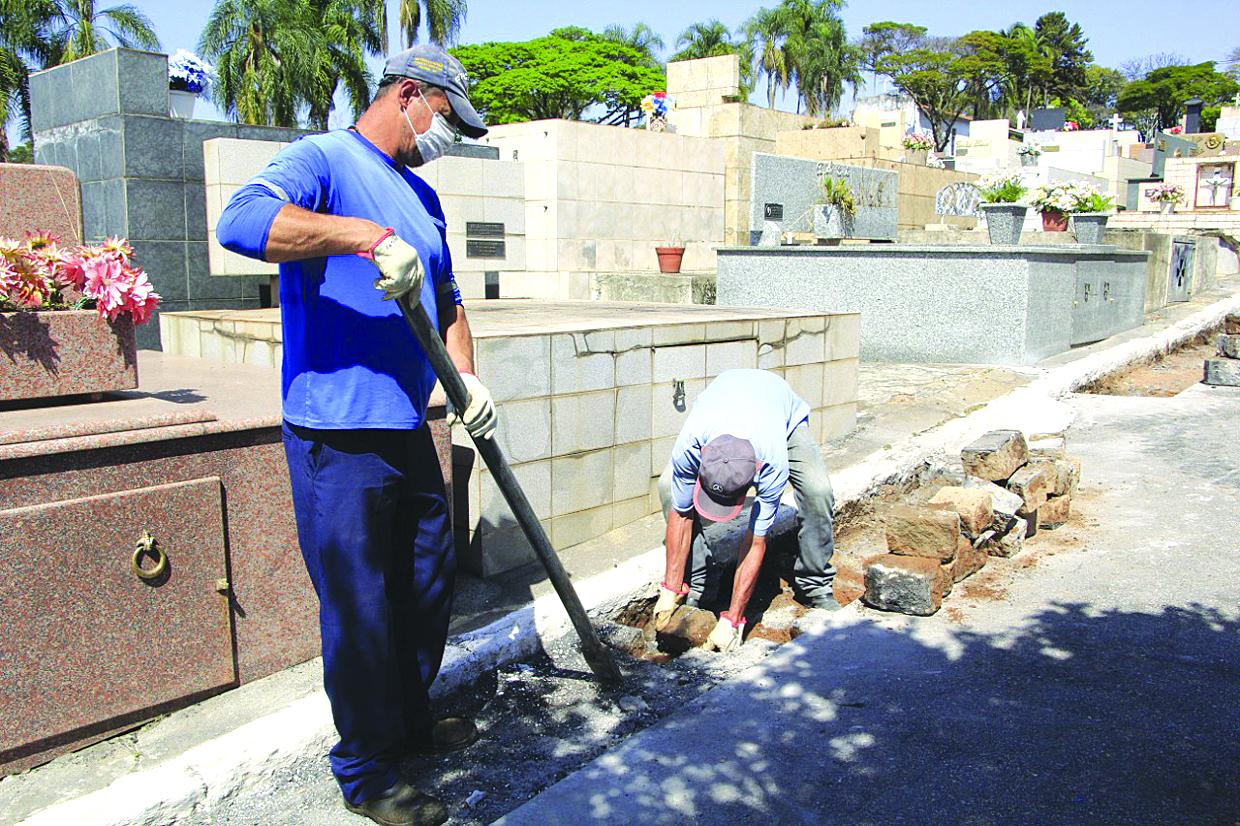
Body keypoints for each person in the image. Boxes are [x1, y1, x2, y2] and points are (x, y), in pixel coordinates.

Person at [215, 45, 495, 826]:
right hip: (335, 432)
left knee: (426, 586)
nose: (451, 137)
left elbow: (448, 304)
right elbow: (239, 222)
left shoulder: (426, 199)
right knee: (361, 606)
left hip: (408, 426)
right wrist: (364, 238)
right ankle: (367, 770)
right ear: (410, 94)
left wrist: (465, 381)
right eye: (447, 117)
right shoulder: (323, 159)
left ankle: (406, 721)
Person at [653, 369, 838, 653]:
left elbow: (755, 541)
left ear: (756, 473)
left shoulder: (772, 462)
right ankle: (698, 587)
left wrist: (734, 618)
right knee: (669, 487)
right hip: (724, 401)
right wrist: (670, 588)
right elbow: (682, 514)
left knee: (818, 491)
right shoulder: (691, 443)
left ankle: (814, 585)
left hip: (780, 417)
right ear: (702, 457)